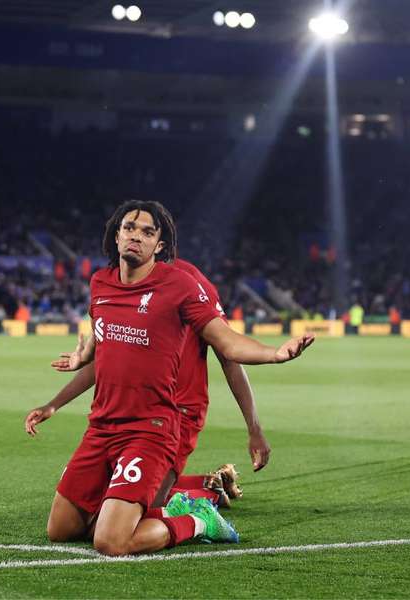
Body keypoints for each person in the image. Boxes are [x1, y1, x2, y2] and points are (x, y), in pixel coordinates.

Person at [27, 200, 313, 556]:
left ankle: (198, 520)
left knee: (111, 540)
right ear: (116, 235)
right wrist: (56, 400)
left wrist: (274, 354)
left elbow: (227, 345)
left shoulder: (183, 284)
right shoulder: (100, 283)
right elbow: (104, 353)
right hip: (101, 426)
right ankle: (194, 490)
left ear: (160, 244)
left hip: (155, 424)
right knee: (61, 530)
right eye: (129, 228)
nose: (136, 236)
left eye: (148, 231)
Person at [27, 256, 270, 510]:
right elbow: (107, 361)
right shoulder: (118, 283)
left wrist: (254, 428)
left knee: (134, 513)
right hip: (132, 412)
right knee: (101, 504)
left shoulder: (190, 284)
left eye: (147, 231)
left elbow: (229, 356)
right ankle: (209, 484)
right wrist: (54, 405)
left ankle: (204, 505)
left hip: (177, 412)